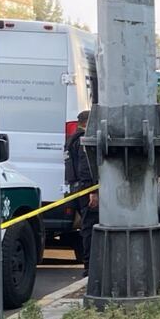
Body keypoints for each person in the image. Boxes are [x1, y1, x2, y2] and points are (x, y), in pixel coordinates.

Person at [64, 110, 97, 276]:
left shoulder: (71, 140)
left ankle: (89, 265)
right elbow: (86, 167)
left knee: (86, 228)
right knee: (90, 228)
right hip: (86, 189)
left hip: (75, 189)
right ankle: (90, 267)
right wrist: (93, 190)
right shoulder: (83, 140)